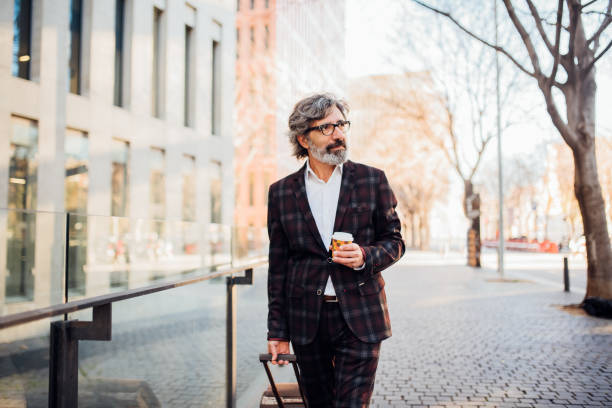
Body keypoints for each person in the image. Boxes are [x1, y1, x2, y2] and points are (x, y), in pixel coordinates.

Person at [266, 93, 405, 407]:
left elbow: (395, 242)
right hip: (307, 321)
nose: (339, 134)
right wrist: (277, 329)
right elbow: (278, 267)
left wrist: (365, 257)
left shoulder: (373, 180)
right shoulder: (282, 193)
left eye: (341, 124)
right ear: (304, 139)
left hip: (360, 317)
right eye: (327, 128)